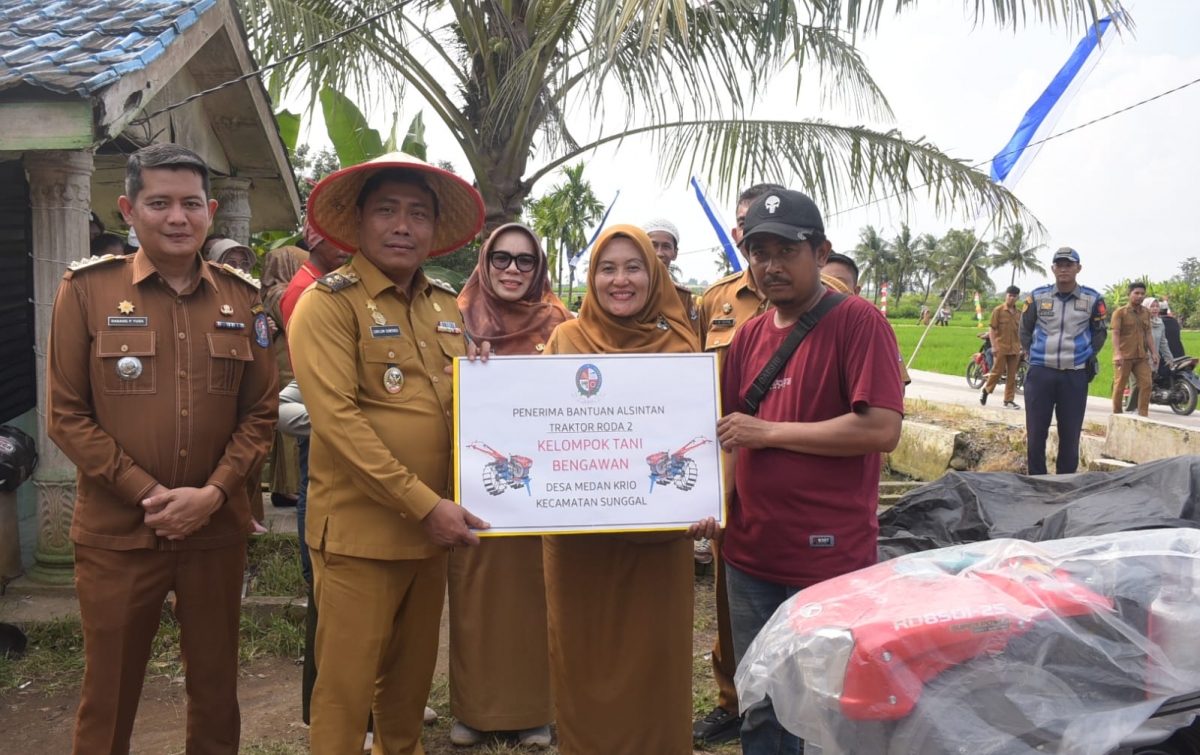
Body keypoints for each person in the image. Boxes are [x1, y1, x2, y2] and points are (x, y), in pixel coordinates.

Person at [46, 143, 278, 754]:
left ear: (210, 210)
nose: (177, 217)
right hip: (119, 531)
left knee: (214, 686)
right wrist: (150, 494)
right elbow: (65, 416)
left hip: (213, 530)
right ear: (128, 208)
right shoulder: (87, 291)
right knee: (109, 693)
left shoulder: (242, 298)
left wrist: (214, 493)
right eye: (159, 203)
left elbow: (260, 412)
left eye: (191, 204)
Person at [288, 152, 491, 755]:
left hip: (433, 534)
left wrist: (489, 387)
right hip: (360, 534)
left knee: (407, 689)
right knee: (345, 693)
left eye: (418, 214)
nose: (404, 226)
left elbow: (459, 407)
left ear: (433, 229)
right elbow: (340, 424)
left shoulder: (443, 305)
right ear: (358, 219)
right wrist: (427, 505)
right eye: (388, 210)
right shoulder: (328, 304)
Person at [717, 189, 904, 755]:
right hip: (750, 555)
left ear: (820, 252)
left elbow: (880, 430)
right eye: (759, 251)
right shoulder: (748, 334)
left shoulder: (858, 322)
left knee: (826, 708)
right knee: (761, 703)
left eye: (786, 250)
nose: (771, 265)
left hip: (827, 557)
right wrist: (715, 508)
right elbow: (729, 433)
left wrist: (770, 433)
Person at [542, 224, 716, 755]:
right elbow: (538, 426)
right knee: (583, 659)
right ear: (591, 277)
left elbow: (697, 440)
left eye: (633, 267)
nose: (620, 280)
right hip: (580, 542)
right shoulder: (564, 340)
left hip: (658, 540)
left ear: (654, 273)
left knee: (654, 662)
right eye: (606, 268)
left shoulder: (682, 342)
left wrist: (706, 503)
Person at [447, 223, 570, 747]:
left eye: (525, 261)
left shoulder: (562, 323)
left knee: (538, 592)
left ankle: (535, 710)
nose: (513, 270)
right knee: (477, 593)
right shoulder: (454, 319)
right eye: (502, 259)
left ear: (538, 267)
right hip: (479, 481)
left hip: (543, 486)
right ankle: (475, 711)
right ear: (485, 261)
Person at [693, 182, 785, 745]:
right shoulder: (716, 301)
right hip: (725, 480)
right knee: (733, 607)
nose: (764, 252)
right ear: (738, 236)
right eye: (749, 231)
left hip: (800, 491)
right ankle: (733, 700)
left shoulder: (834, 301)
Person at [1020, 247, 1107, 475]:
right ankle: (1037, 479)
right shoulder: (1038, 297)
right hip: (1041, 373)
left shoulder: (1092, 298)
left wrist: (1085, 356)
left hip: (1074, 374)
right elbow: (1025, 330)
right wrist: (1035, 354)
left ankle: (1066, 482)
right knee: (1037, 431)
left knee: (1070, 432)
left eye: (1069, 264)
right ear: (1053, 269)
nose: (1064, 269)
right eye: (1059, 264)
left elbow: (1099, 333)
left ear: (1078, 268)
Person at [259, 245, 307, 510]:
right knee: (290, 429)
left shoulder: (268, 292)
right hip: (286, 362)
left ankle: (282, 487)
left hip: (284, 358)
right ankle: (288, 488)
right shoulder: (279, 293)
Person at [822, 252, 912, 390]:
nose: (830, 290)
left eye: (839, 283)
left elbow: (896, 389)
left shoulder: (870, 326)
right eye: (823, 283)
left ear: (856, 291)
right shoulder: (792, 322)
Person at [642, 218, 701, 335]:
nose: (659, 253)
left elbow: (694, 338)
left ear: (675, 253)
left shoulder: (683, 297)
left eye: (666, 247)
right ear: (642, 249)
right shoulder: (628, 291)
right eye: (653, 245)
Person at [1110, 281, 1156, 417]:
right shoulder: (1120, 313)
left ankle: (1143, 415)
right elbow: (1115, 333)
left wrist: (1153, 352)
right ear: (1129, 294)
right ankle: (1117, 414)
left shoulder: (1146, 312)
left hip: (1141, 356)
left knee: (1147, 384)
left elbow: (1148, 333)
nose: (1139, 296)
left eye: (1142, 294)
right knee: (1120, 386)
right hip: (1125, 356)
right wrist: (1117, 353)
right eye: (1136, 293)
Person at [981, 285, 1023, 409]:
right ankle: (986, 390)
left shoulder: (1019, 313)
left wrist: (1023, 347)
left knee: (1012, 375)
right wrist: (994, 346)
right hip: (1001, 347)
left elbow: (1022, 331)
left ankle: (1008, 400)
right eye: (1010, 295)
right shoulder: (998, 310)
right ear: (1006, 296)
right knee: (997, 372)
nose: (1012, 298)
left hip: (1014, 348)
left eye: (1014, 296)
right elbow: (992, 329)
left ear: (1017, 297)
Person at [1147, 298, 1174, 380]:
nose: (1155, 308)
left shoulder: (1159, 323)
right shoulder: (1141, 322)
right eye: (1152, 306)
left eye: (1157, 306)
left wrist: (1169, 358)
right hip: (1140, 361)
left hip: (1154, 360)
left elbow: (1163, 343)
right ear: (1145, 307)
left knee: (1151, 385)